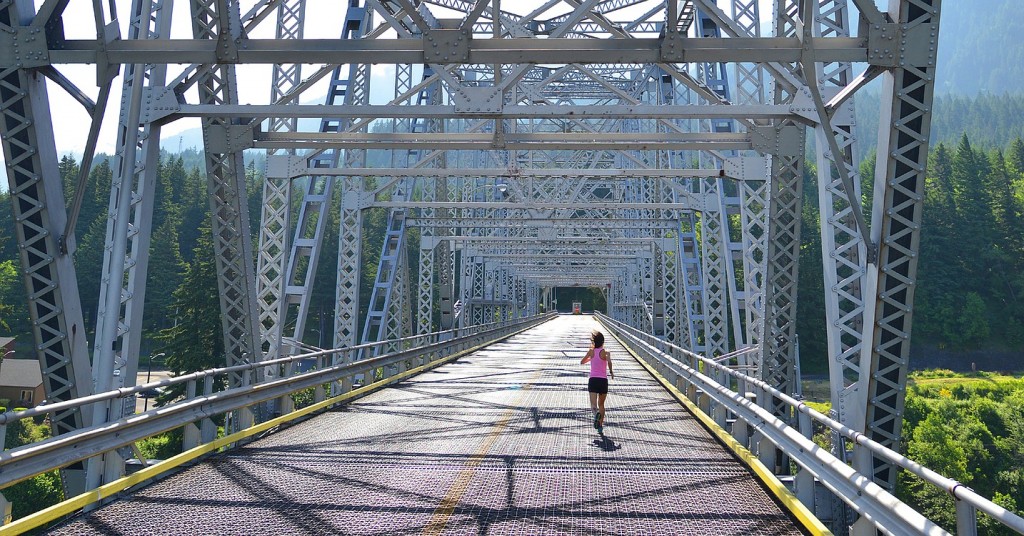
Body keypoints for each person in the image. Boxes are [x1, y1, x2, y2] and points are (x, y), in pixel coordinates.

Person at [580, 330, 614, 433]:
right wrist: (611, 372)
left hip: (593, 379)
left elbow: (582, 362)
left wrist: (591, 359)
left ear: (594, 341)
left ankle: (595, 416)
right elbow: (609, 361)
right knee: (601, 405)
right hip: (603, 381)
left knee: (593, 405)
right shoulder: (606, 352)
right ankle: (600, 426)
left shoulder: (591, 351)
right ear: (603, 342)